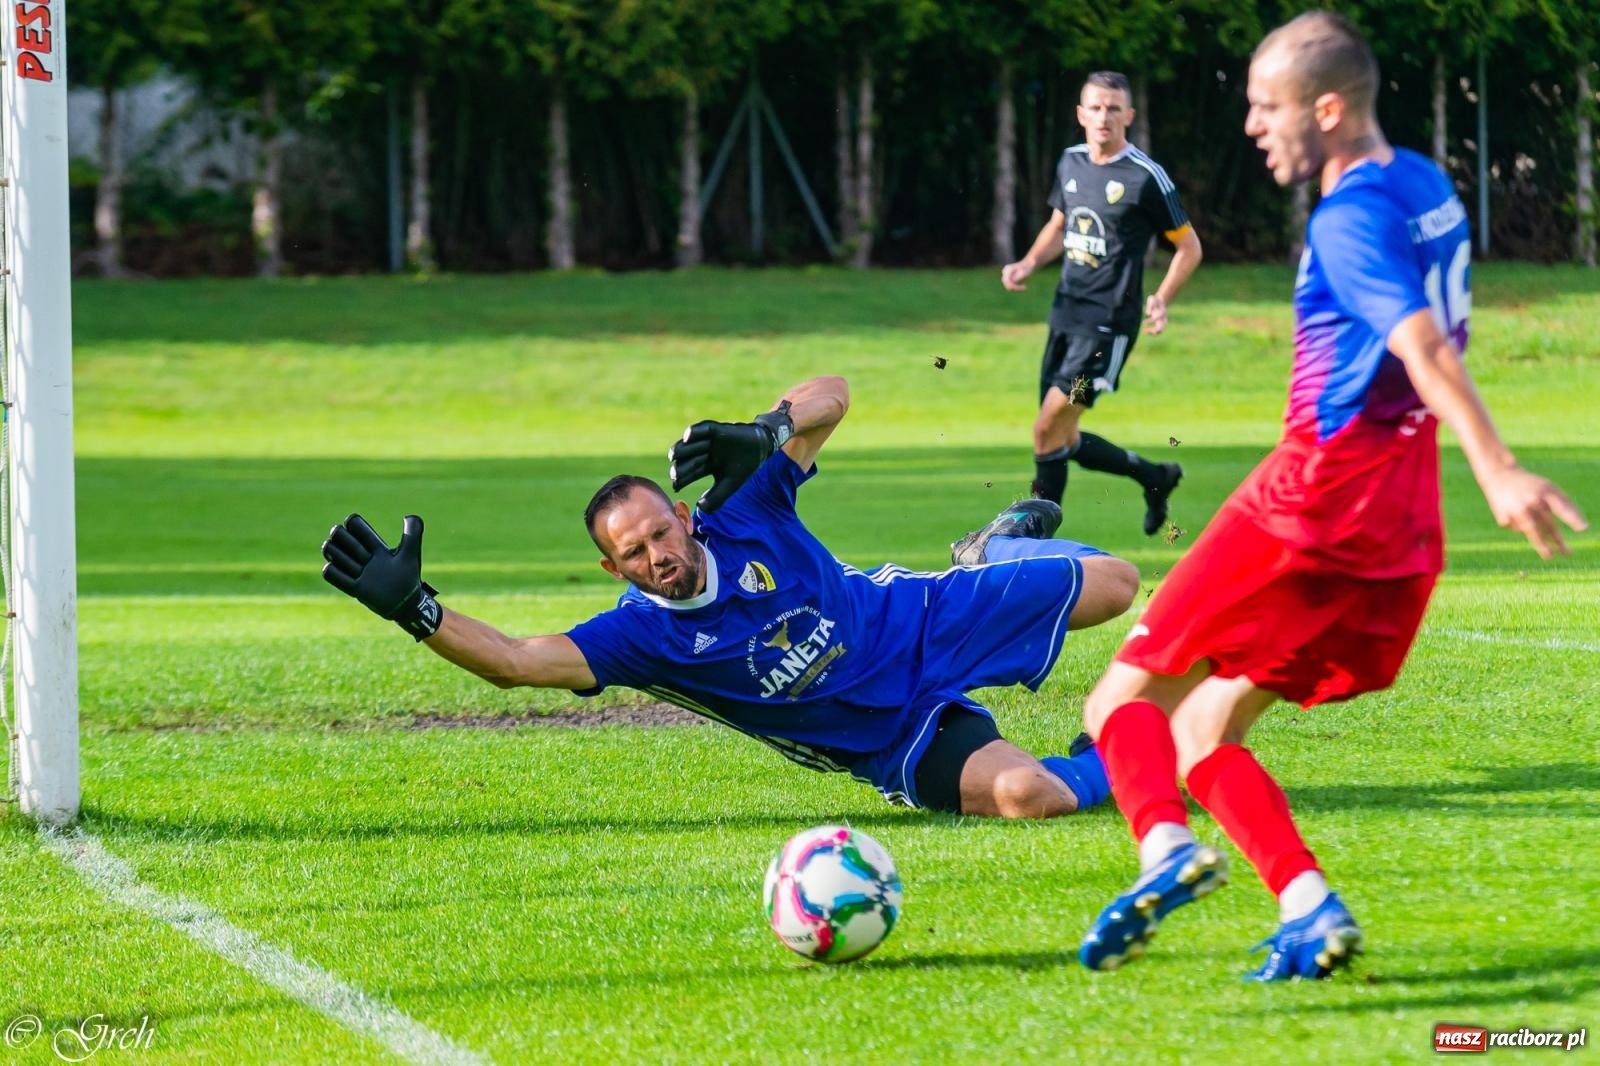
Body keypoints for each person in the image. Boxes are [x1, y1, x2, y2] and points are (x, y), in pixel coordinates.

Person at [1075, 12, 1588, 982]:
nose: (1253, 125)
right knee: (1203, 729)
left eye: (1267, 106)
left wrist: (1496, 461)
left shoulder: (1348, 217)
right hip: (1398, 527)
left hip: (1310, 503)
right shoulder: (1423, 185)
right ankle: (1310, 908)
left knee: (1118, 703)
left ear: (1326, 107)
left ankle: (1163, 850)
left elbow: (1422, 345)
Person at [320, 375, 1143, 819]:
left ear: (683, 515)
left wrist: (771, 427)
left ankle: (991, 550)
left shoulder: (743, 508)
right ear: (616, 570)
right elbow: (511, 662)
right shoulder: (638, 640)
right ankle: (1119, 755)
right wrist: (415, 610)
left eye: (660, 533)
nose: (657, 556)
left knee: (1118, 584)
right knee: (1029, 796)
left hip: (919, 619)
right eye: (633, 553)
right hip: (892, 737)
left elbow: (837, 393)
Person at [1001, 70, 1203, 536]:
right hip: (1065, 314)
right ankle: (1154, 477)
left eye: (1114, 109)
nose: (1104, 117)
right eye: (1095, 107)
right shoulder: (1071, 163)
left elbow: (1189, 247)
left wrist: (1162, 299)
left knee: (1045, 428)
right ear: (1080, 113)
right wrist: (1029, 263)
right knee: (1059, 438)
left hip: (1107, 325)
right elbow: (1059, 224)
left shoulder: (1146, 177)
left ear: (1129, 116)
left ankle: (1031, 542)